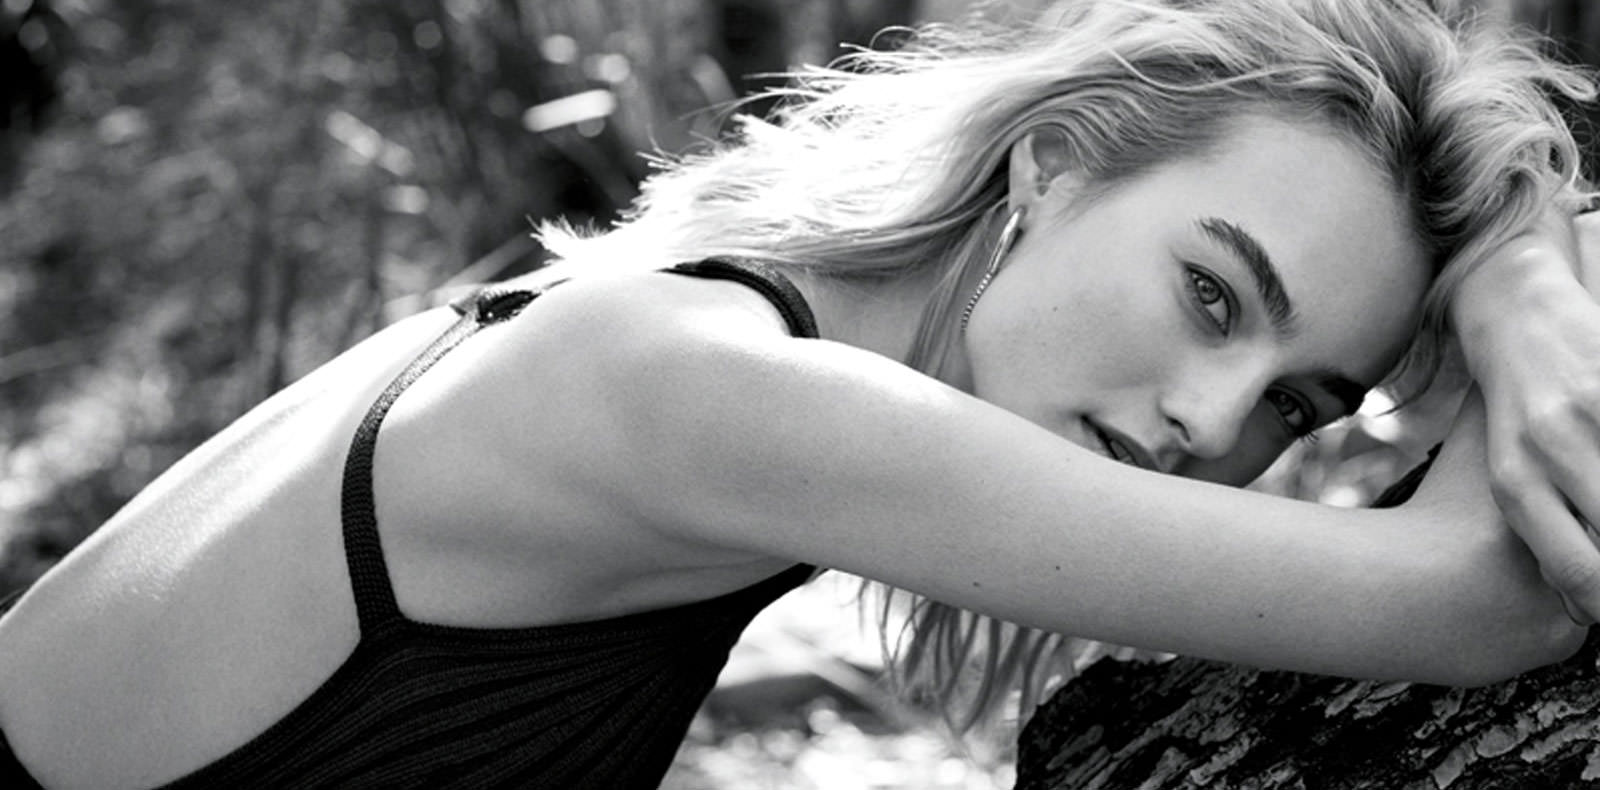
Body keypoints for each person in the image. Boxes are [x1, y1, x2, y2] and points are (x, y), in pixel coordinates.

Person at [3, 0, 1600, 787]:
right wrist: (1531, 281)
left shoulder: (687, 312)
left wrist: (1507, 252)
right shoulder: (710, 396)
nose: (1212, 419)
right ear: (1052, 166)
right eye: (1210, 293)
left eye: (1299, 405)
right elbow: (1496, 597)